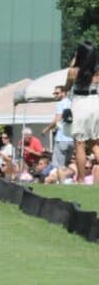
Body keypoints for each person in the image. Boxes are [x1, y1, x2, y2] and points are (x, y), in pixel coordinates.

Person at [65, 40, 99, 184]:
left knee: (80, 144)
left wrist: (73, 62)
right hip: (96, 102)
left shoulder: (74, 71)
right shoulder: (97, 70)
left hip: (80, 103)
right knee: (96, 144)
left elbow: (67, 87)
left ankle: (80, 179)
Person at [42, 84, 75, 173]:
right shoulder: (72, 102)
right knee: (68, 164)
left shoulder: (60, 103)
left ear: (64, 93)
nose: (55, 95)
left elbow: (57, 119)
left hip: (61, 138)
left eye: (57, 93)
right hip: (71, 139)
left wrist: (47, 129)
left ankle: (61, 183)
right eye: (54, 93)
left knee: (58, 166)